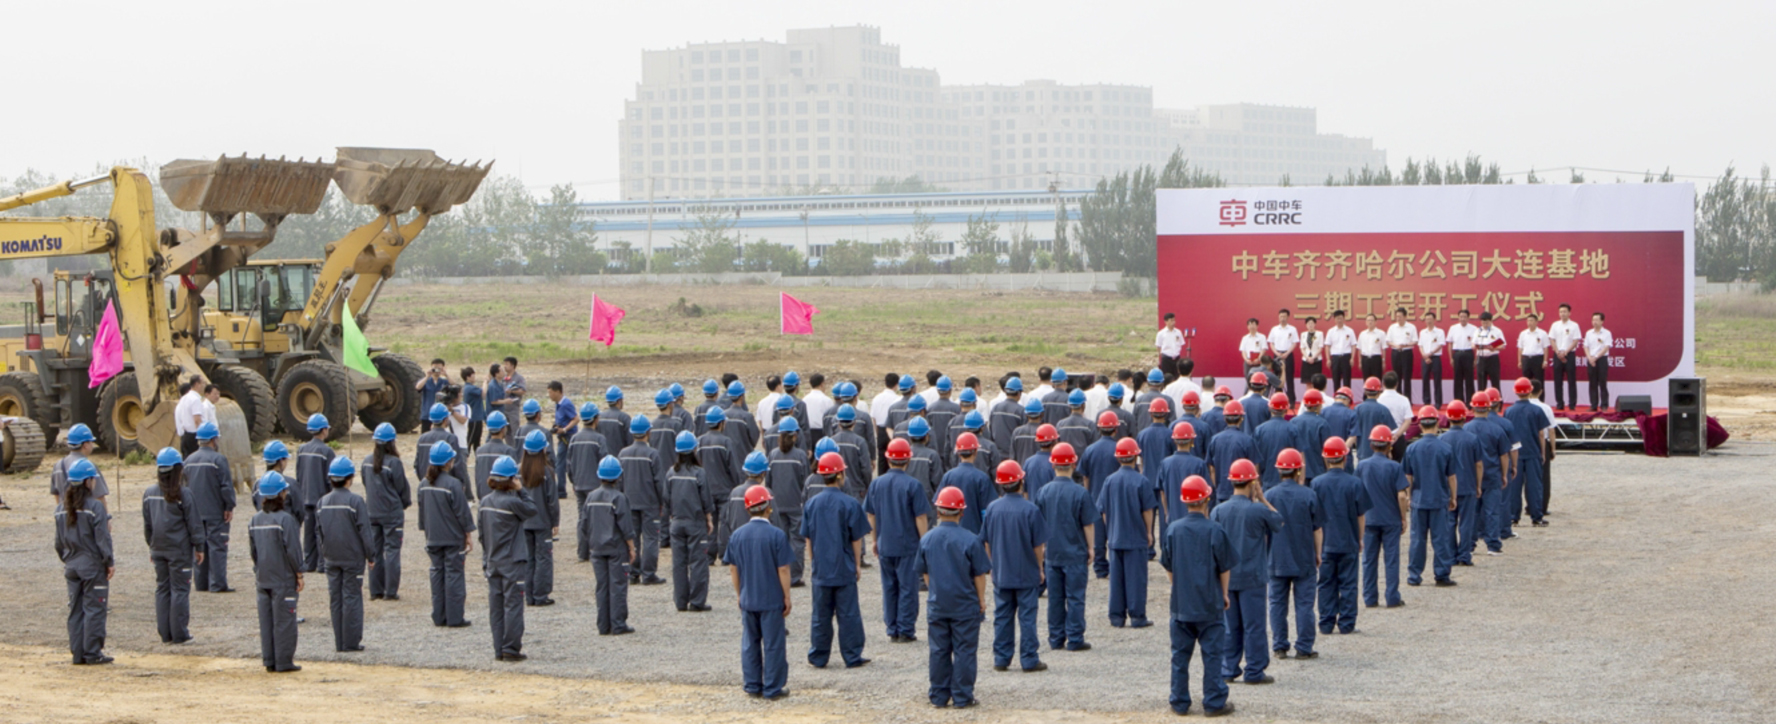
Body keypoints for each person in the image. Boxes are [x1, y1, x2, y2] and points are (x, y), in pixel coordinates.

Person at [1161, 476, 1234, 717]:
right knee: (1213, 655)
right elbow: (1224, 567)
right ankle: (1214, 702)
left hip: (1182, 604)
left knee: (1179, 656)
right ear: (1206, 498)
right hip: (1209, 602)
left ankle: (1179, 701)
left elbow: (1168, 566)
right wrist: (1224, 594)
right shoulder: (1215, 530)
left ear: (1185, 502)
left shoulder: (1173, 529)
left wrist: (1179, 586)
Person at [916, 487, 992, 709]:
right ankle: (962, 696)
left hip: (938, 603)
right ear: (962, 513)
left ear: (938, 512)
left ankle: (939, 696)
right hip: (965, 605)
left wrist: (936, 592)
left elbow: (925, 573)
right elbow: (979, 575)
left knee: (939, 650)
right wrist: (981, 600)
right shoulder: (971, 540)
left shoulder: (927, 539)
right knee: (965, 650)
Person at [1210, 459, 1281, 685]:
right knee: (1254, 626)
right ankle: (1254, 670)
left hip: (1227, 578)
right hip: (1253, 577)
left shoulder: (1218, 511)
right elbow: (1278, 521)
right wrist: (1262, 497)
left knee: (1230, 627)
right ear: (1253, 482)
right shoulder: (1258, 510)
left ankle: (1228, 668)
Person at [801, 452, 872, 669]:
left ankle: (819, 656)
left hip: (821, 568)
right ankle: (851, 655)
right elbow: (856, 538)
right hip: (844, 567)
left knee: (820, 615)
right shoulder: (850, 504)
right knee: (848, 614)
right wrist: (857, 565)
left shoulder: (812, 504)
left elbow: (808, 538)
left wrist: (813, 562)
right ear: (840, 474)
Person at [724, 485, 794, 700]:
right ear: (767, 507)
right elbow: (782, 569)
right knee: (773, 644)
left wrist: (739, 594)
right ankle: (772, 687)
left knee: (750, 643)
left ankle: (752, 685)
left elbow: (733, 568)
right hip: (771, 599)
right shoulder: (777, 535)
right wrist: (787, 596)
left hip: (748, 597)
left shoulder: (737, 535)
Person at [980, 460, 1049, 673]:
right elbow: (1038, 545)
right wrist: (1039, 568)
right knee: (1027, 617)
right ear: (1021, 481)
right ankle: (1029, 659)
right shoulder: (1031, 510)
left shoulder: (992, 509)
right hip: (1026, 572)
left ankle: (1001, 658)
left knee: (1002, 616)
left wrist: (992, 564)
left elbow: (986, 541)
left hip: (1002, 571)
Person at [865, 438, 932, 643]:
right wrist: (925, 542)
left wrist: (875, 540)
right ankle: (905, 629)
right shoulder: (913, 485)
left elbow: (871, 515)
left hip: (885, 544)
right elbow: (920, 517)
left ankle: (892, 628)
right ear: (908, 460)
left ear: (888, 459)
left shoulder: (877, 484)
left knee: (889, 587)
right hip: (908, 545)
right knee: (907, 587)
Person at [478, 455, 538, 661]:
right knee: (512, 605)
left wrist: (486, 559)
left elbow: (482, 535)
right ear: (512, 479)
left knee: (496, 607)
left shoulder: (485, 502)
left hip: (493, 561)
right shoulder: (513, 502)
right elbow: (532, 509)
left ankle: (498, 649)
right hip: (512, 562)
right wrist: (521, 489)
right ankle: (511, 649)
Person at [53, 457, 112, 666]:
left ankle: (78, 654)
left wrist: (68, 559)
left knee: (75, 610)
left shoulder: (60, 508)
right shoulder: (95, 508)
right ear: (87, 482)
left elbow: (58, 543)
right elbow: (102, 539)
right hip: (92, 567)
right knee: (95, 608)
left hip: (71, 566)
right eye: (92, 479)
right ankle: (93, 653)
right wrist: (109, 561)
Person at [1265, 448, 1321, 661]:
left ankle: (1280, 646)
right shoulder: (1309, 495)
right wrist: (1318, 554)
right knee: (1305, 604)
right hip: (1304, 557)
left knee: (1277, 603)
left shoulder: (1269, 495)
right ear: (1298, 471)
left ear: (1279, 470)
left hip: (1277, 558)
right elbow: (1317, 529)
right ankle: (1304, 647)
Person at [316, 456, 376, 652]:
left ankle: (339, 642)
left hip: (331, 557)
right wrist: (371, 555)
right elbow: (365, 531)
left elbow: (318, 532)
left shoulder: (322, 502)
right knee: (351, 597)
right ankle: (351, 642)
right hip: (352, 558)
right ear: (349, 479)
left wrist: (323, 555)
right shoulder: (355, 501)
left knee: (336, 598)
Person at [246, 472, 304, 672]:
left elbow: (253, 552)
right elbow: (293, 551)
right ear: (281, 494)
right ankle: (284, 662)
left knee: (266, 620)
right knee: (284, 621)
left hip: (263, 578)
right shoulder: (286, 520)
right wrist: (299, 573)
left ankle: (269, 660)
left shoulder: (254, 520)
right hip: (283, 579)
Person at [143, 448, 202, 644]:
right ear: (178, 470)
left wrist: (151, 546)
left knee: (162, 589)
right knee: (179, 590)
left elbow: (148, 524)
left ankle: (165, 634)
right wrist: (199, 546)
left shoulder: (149, 494)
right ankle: (180, 634)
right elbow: (194, 523)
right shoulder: (184, 494)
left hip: (158, 549)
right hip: (179, 551)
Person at [1311, 437, 1368, 635]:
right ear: (1345, 457)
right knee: (1349, 583)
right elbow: (1361, 516)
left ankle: (1326, 623)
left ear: (1326, 459)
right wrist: (1359, 538)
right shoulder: (1355, 483)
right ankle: (1347, 623)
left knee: (1325, 583)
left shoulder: (1317, 484)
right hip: (1348, 540)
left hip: (1326, 543)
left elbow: (1314, 518)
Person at [1099, 437, 1157, 628]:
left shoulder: (1109, 480)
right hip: (1136, 537)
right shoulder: (1141, 481)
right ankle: (1137, 616)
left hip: (1116, 536)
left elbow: (1104, 511)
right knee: (1136, 579)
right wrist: (1149, 532)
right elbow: (1147, 510)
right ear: (1136, 457)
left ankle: (1116, 617)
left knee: (1116, 580)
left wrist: (1110, 531)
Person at [417, 442, 475, 628]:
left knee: (436, 575)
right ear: (449, 462)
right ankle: (455, 617)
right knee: (454, 576)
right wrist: (468, 534)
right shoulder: (453, 484)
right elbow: (462, 512)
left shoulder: (423, 484)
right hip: (452, 539)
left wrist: (425, 530)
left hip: (433, 537)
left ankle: (439, 616)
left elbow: (422, 512)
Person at [1402, 406, 1459, 587]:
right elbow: (1452, 477)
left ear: (1420, 425)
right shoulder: (1446, 448)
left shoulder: (1412, 449)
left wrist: (1410, 497)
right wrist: (1453, 497)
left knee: (1417, 539)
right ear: (1436, 424)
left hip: (1419, 500)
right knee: (1440, 539)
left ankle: (1414, 575)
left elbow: (1408, 477)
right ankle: (1442, 574)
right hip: (1439, 498)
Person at [583, 454, 637, 635]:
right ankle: (618, 624)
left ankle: (603, 625)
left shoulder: (591, 497)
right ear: (618, 476)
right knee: (618, 585)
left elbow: (583, 524)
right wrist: (632, 547)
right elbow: (626, 526)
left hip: (596, 547)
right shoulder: (619, 498)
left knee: (602, 586)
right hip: (616, 548)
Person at [1357, 426, 1409, 608]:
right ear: (1389, 446)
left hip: (1369, 519)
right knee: (1392, 559)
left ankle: (1370, 598)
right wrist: (1403, 518)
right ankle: (1392, 597)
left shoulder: (1362, 466)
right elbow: (1402, 495)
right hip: (1390, 519)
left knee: (1369, 560)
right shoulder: (1395, 467)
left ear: (1371, 445)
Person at [667, 435, 717, 612]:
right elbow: (706, 499)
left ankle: (680, 602)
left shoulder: (671, 473)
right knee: (698, 562)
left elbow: (666, 499)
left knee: (678, 563)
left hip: (677, 523)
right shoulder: (699, 473)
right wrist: (709, 519)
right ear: (694, 450)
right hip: (695, 523)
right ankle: (697, 602)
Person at [362, 423, 411, 601]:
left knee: (374, 551)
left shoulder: (366, 461)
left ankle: (375, 590)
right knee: (392, 551)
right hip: (391, 514)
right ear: (392, 443)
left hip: (372, 512)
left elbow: (366, 484)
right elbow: (402, 488)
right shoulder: (394, 463)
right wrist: (403, 504)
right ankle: (390, 591)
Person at [185, 422, 235, 593]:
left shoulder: (188, 461)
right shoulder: (218, 459)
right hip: (215, 511)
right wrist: (229, 506)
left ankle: (201, 583)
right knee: (217, 546)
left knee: (199, 545)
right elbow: (226, 486)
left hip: (195, 513)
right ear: (214, 440)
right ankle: (218, 583)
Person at [619, 415, 666, 585]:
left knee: (633, 538)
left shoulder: (623, 454)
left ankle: (633, 573)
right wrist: (664, 502)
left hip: (629, 502)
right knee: (651, 539)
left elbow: (619, 480)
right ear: (648, 432)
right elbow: (659, 481)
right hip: (650, 503)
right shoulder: (652, 454)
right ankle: (649, 574)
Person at [1440, 402, 1486, 567]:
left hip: (1447, 487)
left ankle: (1451, 556)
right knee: (1467, 522)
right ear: (1464, 417)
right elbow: (1478, 464)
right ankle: (1464, 555)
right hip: (1468, 485)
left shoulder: (1442, 439)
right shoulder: (1472, 439)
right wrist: (1478, 485)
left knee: (1449, 522)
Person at [1470, 391, 1516, 556]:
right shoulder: (1497, 429)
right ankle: (1492, 544)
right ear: (1489, 406)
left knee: (1472, 512)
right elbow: (1504, 455)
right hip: (1492, 475)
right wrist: (1505, 474)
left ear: (1472, 406)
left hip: (1472, 478)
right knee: (1492, 511)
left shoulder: (1467, 429)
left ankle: (1469, 544)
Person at [518, 431, 560, 606]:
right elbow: (552, 500)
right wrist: (555, 521)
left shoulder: (518, 471)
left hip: (523, 522)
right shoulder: (547, 472)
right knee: (543, 558)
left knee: (528, 558)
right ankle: (541, 595)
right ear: (544, 450)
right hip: (542, 521)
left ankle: (529, 595)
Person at [767, 418, 811, 587]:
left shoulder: (772, 455)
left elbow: (768, 483)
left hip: (777, 505)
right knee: (797, 541)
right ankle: (795, 576)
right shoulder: (800, 455)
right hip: (795, 505)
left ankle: (779, 573)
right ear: (795, 436)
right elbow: (805, 481)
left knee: (780, 540)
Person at [1504, 377, 1552, 529]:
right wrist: (1543, 452)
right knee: (1534, 486)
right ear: (1530, 391)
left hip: (1515, 454)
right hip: (1532, 452)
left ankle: (1513, 517)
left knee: (1514, 487)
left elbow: (1507, 434)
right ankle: (1536, 517)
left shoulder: (1509, 411)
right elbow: (1541, 434)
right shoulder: (1537, 410)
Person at [567, 404, 607, 562]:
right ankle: (598, 551)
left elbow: (569, 465)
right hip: (596, 486)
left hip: (580, 485)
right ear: (596, 419)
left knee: (582, 518)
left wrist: (574, 481)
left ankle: (582, 553)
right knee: (598, 519)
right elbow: (604, 464)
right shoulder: (599, 439)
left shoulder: (574, 439)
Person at [296, 414, 335, 572]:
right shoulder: (327, 451)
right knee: (321, 533)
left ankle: (309, 563)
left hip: (305, 497)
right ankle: (322, 564)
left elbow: (299, 475)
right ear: (324, 430)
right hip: (321, 498)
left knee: (308, 533)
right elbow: (331, 479)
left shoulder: (302, 450)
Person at [1158, 423, 1211, 535]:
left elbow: (1162, 492)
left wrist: (1167, 513)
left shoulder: (1165, 464)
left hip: (1173, 519)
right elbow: (1206, 493)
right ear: (1192, 441)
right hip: (1196, 520)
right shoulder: (1199, 464)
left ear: (1175, 441)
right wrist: (1205, 515)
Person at [940, 433, 996, 534]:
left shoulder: (948, 476)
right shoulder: (982, 478)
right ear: (975, 451)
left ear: (958, 453)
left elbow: (940, 506)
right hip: (975, 533)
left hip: (950, 534)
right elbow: (988, 510)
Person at [1204, 401, 1257, 505]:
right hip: (1243, 495)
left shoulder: (1214, 440)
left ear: (1225, 418)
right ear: (1241, 418)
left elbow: (1212, 469)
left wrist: (1218, 489)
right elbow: (1254, 469)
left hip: (1221, 494)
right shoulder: (1247, 440)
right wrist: (1253, 493)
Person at [831, 404, 876, 503]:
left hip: (836, 488)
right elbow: (866, 469)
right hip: (857, 491)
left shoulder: (832, 442)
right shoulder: (860, 442)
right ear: (854, 422)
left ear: (838, 423)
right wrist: (867, 486)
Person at [1252, 393, 1297, 490]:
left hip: (1266, 483)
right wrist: (1300, 482)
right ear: (1286, 409)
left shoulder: (1259, 430)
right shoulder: (1293, 429)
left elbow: (1255, 460)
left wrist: (1256, 483)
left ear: (1269, 409)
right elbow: (1300, 456)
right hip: (1290, 484)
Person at [1290, 390, 1333, 482]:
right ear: (1318, 405)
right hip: (1318, 472)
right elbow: (1326, 451)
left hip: (1297, 472)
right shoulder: (1322, 423)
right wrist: (1329, 471)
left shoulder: (1293, 422)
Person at [1548, 304, 1583, 411]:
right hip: (1557, 355)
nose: (1562, 313)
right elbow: (1551, 339)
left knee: (1571, 380)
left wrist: (1566, 352)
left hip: (1570, 354)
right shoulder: (1555, 325)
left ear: (1569, 313)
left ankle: (1572, 404)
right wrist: (1558, 352)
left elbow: (1576, 340)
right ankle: (1559, 403)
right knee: (1558, 380)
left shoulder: (1574, 325)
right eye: (1561, 312)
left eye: (1565, 311)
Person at [1353, 378, 1395, 461]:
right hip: (1381, 453)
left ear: (1365, 391)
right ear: (1379, 392)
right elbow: (1390, 433)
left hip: (1362, 452)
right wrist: (1389, 451)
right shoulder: (1383, 410)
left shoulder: (1357, 409)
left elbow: (1353, 433)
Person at [988, 376, 1027, 457]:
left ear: (1006, 391)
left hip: (997, 454)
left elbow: (991, 431)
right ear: (1019, 393)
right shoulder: (1021, 411)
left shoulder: (995, 408)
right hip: (1013, 455)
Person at [1268, 309, 1301, 403]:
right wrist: (1277, 353)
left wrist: (1287, 353)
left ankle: (1291, 401)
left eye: (1284, 316)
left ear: (1288, 317)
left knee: (1289, 378)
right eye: (1281, 316)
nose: (1282, 318)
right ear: (1278, 317)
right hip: (1277, 355)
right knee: (1277, 378)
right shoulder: (1274, 329)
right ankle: (1278, 399)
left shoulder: (1292, 329)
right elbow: (1271, 343)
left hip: (1288, 355)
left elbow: (1295, 343)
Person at [1585, 312, 1615, 411]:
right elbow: (1585, 346)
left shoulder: (1607, 333)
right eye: (1593, 320)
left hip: (1601, 359)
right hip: (1591, 359)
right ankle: (1593, 405)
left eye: (1597, 320)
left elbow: (1606, 347)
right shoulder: (1589, 333)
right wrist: (1590, 358)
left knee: (1602, 383)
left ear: (1602, 321)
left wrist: (1596, 357)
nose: (1595, 322)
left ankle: (1604, 405)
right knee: (1592, 383)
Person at [1449, 309, 1479, 404]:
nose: (1462, 319)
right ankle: (1458, 401)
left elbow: (1477, 345)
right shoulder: (1453, 328)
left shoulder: (1474, 329)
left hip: (1468, 354)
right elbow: (1450, 344)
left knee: (1469, 379)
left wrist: (1476, 358)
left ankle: (1470, 402)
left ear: (1468, 318)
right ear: (1458, 317)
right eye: (1461, 317)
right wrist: (1451, 358)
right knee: (1457, 379)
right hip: (1457, 354)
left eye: (1464, 317)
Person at [1418, 312, 1447, 406]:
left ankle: (1438, 402)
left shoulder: (1440, 331)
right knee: (1425, 380)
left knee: (1437, 380)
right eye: (1427, 319)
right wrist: (1424, 355)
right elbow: (1420, 345)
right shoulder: (1422, 332)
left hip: (1435, 358)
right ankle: (1426, 401)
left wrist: (1431, 353)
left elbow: (1440, 344)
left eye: (1430, 319)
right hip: (1425, 358)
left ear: (1434, 320)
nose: (1428, 321)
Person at [597, 386, 635, 457]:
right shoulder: (624, 418)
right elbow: (630, 442)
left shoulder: (599, 418)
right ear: (619, 401)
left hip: (603, 461)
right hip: (619, 460)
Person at [174, 374, 207, 456]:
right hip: (194, 436)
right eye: (203, 383)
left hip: (186, 435)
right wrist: (202, 437)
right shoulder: (195, 399)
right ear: (197, 384)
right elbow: (197, 420)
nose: (204, 385)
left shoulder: (184, 398)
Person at [1473, 312, 1506, 393]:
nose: (1485, 324)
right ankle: (1481, 403)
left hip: (1492, 359)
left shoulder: (1497, 331)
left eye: (1487, 322)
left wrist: (1494, 348)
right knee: (1481, 383)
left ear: (1491, 321)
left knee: (1495, 382)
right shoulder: (1478, 331)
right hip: (1481, 358)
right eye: (1483, 322)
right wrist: (1476, 346)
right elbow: (1473, 344)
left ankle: (1497, 404)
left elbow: (1503, 346)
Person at [1325, 310, 1357, 392]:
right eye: (1337, 318)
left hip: (1346, 357)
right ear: (1334, 319)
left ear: (1344, 319)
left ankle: (1348, 399)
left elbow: (1353, 345)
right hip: (1335, 358)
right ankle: (1337, 399)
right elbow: (1327, 346)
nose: (1339, 320)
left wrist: (1352, 358)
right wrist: (1328, 359)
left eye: (1341, 318)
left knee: (1347, 380)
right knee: (1336, 380)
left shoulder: (1350, 331)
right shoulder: (1331, 331)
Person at [1517, 314, 1550, 390]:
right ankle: (1527, 400)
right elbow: (1520, 348)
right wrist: (1519, 361)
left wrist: (1545, 361)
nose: (1529, 322)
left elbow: (1545, 348)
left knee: (1539, 382)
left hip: (1538, 359)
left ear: (1536, 322)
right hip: (1526, 359)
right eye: (1528, 320)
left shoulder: (1542, 333)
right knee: (1526, 382)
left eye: (1531, 320)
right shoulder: (1523, 333)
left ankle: (1540, 401)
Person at [417, 359, 450, 433]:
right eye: (435, 368)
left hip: (441, 414)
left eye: (439, 368)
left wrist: (446, 375)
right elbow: (418, 387)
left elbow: (455, 386)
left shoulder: (444, 382)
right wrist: (427, 376)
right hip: (427, 414)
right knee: (426, 437)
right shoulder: (426, 381)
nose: (437, 370)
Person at [1377, 372, 1413, 440]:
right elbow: (1408, 421)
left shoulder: (1378, 400)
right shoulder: (1404, 400)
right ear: (1397, 384)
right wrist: (1397, 435)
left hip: (1381, 437)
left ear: (1383, 384)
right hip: (1400, 437)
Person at [1357, 313, 1387, 383]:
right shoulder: (1362, 334)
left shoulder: (1381, 333)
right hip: (1365, 359)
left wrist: (1383, 361)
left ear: (1376, 322)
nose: (1370, 322)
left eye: (1372, 320)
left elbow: (1384, 349)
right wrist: (1360, 362)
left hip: (1376, 359)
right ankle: (1366, 394)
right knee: (1366, 380)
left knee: (1377, 379)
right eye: (1368, 320)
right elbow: (1359, 349)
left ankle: (1378, 394)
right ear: (1366, 322)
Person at [1298, 316, 1324, 395]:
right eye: (1308, 323)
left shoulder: (1319, 334)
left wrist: (1313, 357)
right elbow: (1302, 348)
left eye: (1312, 323)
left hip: (1316, 360)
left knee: (1316, 382)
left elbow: (1320, 348)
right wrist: (1307, 357)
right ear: (1306, 325)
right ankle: (1308, 397)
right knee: (1308, 382)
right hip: (1306, 360)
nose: (1310, 325)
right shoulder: (1303, 334)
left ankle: (1316, 397)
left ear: (1315, 324)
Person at [1156, 312, 1187, 379]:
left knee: (1177, 377)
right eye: (1171, 320)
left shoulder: (1178, 332)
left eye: (1174, 320)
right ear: (1166, 322)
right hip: (1166, 359)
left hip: (1176, 358)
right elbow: (1158, 346)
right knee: (1167, 377)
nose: (1173, 322)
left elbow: (1181, 344)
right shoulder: (1161, 333)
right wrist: (1163, 355)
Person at [462, 367, 486, 451]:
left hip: (477, 418)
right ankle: (465, 455)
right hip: (474, 418)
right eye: (473, 375)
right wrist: (485, 382)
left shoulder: (470, 387)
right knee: (470, 439)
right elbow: (483, 393)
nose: (474, 377)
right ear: (468, 377)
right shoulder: (470, 388)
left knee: (477, 441)